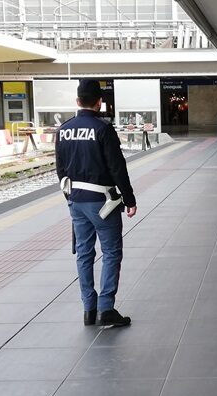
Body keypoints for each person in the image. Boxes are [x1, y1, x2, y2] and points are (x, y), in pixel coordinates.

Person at [55, 79, 137, 327]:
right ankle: (106, 309)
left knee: (84, 253)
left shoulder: (64, 130)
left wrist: (72, 197)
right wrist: (129, 198)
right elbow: (117, 166)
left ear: (77, 101)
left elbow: (60, 169)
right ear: (99, 102)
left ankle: (88, 309)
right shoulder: (102, 129)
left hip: (76, 201)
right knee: (111, 252)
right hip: (103, 202)